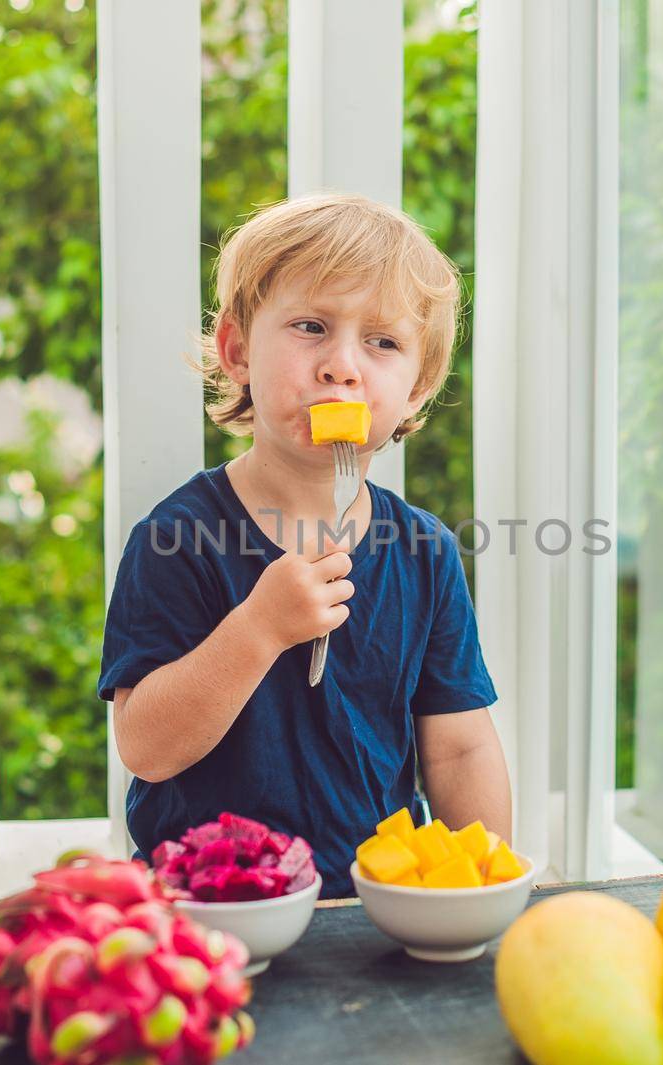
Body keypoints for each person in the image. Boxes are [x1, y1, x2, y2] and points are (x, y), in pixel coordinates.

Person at [98, 193, 511, 896]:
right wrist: (258, 628)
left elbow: (461, 747)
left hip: (375, 905)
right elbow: (146, 747)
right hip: (211, 907)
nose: (342, 366)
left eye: (382, 342)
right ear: (237, 352)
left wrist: (490, 888)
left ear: (419, 387)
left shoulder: (426, 552)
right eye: (311, 326)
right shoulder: (175, 539)